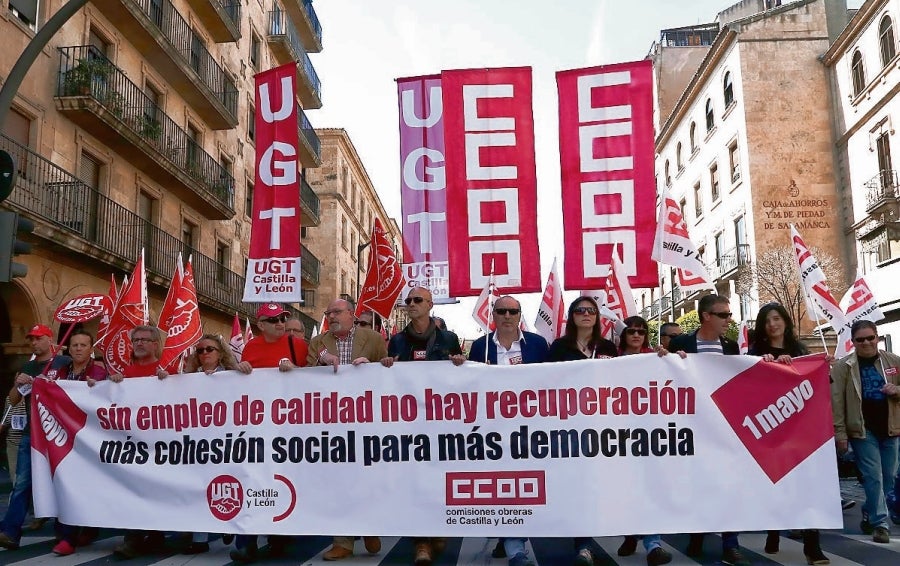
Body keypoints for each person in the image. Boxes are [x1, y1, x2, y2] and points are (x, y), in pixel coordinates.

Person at [380, 286, 464, 566]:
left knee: (439, 479)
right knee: (415, 481)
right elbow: (389, 377)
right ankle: (422, 543)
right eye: (409, 300)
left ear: (430, 305)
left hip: (441, 420)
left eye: (417, 300)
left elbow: (460, 377)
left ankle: (439, 527)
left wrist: (459, 362)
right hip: (410, 422)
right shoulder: (397, 341)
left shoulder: (448, 338)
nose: (411, 304)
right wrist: (387, 364)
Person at [668, 294, 747, 566]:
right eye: (723, 315)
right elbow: (663, 374)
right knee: (698, 484)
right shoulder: (682, 343)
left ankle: (730, 543)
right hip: (692, 428)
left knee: (727, 485)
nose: (729, 319)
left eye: (729, 314)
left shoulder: (731, 346)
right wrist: (665, 357)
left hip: (723, 426)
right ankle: (698, 534)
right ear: (706, 316)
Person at [468, 296, 547, 566]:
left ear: (519, 315)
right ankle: (513, 545)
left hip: (530, 427)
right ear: (493, 314)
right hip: (493, 430)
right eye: (501, 311)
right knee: (504, 485)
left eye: (513, 311)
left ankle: (512, 543)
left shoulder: (537, 344)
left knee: (525, 484)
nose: (507, 316)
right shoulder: (480, 346)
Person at [748, 303, 829, 564]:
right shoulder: (755, 354)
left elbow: (819, 384)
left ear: (785, 321)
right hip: (771, 429)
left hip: (801, 431)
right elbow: (750, 389)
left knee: (807, 486)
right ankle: (774, 529)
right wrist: (766, 366)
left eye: (776, 318)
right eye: (767, 321)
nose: (772, 324)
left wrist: (815, 366)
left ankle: (812, 546)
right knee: (777, 485)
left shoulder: (800, 351)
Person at [307, 299, 387, 561]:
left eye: (337, 312)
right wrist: (321, 360)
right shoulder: (318, 342)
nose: (331, 316)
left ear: (352, 314)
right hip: (331, 423)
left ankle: (369, 528)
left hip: (366, 421)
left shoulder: (373, 338)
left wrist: (374, 366)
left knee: (366, 480)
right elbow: (305, 377)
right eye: (328, 312)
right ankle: (343, 541)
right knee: (337, 482)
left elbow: (390, 372)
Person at [230, 304, 308, 563]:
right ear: (260, 324)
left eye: (283, 318)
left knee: (282, 480)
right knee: (252, 479)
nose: (279, 322)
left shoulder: (298, 346)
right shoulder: (251, 347)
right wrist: (239, 370)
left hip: (287, 428)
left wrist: (296, 372)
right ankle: (246, 541)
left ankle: (279, 535)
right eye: (272, 319)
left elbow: (313, 383)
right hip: (255, 428)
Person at [176, 334, 250, 554]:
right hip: (198, 443)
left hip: (227, 441)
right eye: (200, 351)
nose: (205, 353)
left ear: (221, 353)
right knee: (200, 486)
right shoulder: (187, 379)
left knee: (230, 486)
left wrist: (242, 370)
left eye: (210, 349)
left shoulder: (232, 376)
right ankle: (200, 539)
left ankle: (230, 527)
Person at [0, 324, 70, 551]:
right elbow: (14, 399)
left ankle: (65, 533)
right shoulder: (28, 366)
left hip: (59, 433)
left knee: (60, 481)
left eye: (38, 338)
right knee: (21, 483)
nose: (33, 343)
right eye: (31, 339)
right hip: (32, 433)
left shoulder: (63, 364)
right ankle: (10, 532)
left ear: (49, 340)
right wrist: (18, 384)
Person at [831, 320, 900, 544]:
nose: (867, 343)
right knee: (873, 477)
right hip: (862, 430)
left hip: (891, 428)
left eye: (870, 338)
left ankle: (870, 511)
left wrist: (897, 390)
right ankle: (881, 524)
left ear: (877, 338)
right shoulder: (844, 367)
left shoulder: (893, 362)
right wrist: (840, 434)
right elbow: (837, 401)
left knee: (888, 478)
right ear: (854, 342)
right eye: (861, 339)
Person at [615, 316, 672, 566]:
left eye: (641, 331)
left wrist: (674, 358)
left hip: (649, 433)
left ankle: (653, 544)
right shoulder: (610, 359)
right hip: (616, 434)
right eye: (631, 331)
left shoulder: (657, 357)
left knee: (650, 487)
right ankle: (630, 535)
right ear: (623, 335)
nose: (636, 335)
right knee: (626, 489)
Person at [111, 325, 169, 559]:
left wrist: (170, 381)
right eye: (135, 340)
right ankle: (133, 538)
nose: (139, 343)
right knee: (134, 489)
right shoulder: (125, 373)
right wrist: (109, 384)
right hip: (134, 444)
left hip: (162, 444)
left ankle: (156, 534)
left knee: (156, 490)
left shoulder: (167, 370)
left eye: (145, 339)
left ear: (155, 344)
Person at [50, 330, 108, 556]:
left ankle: (84, 530)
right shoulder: (60, 372)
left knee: (88, 486)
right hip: (65, 438)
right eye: (74, 345)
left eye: (83, 345)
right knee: (68, 483)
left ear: (91, 348)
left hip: (91, 439)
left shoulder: (99, 373)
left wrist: (100, 387)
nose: (78, 348)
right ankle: (68, 535)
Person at [240, 303, 309, 373]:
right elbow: (243, 378)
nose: (280, 323)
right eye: (273, 320)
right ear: (261, 325)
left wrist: (294, 368)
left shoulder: (299, 345)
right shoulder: (250, 347)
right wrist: (242, 367)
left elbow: (311, 374)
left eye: (282, 319)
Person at [547, 296, 617, 362]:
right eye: (580, 310)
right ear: (572, 316)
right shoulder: (559, 346)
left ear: (596, 316)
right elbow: (551, 372)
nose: (586, 314)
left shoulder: (608, 347)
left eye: (592, 310)